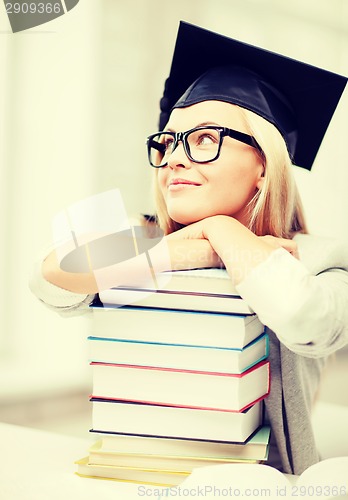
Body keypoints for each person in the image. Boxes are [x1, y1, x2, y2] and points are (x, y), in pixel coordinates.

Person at [30, 22, 348, 475]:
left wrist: (223, 230)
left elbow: (307, 319)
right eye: (168, 141)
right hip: (133, 473)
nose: (174, 157)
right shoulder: (145, 234)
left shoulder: (319, 258)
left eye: (204, 139)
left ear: (263, 164)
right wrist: (181, 252)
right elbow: (47, 278)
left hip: (257, 481)